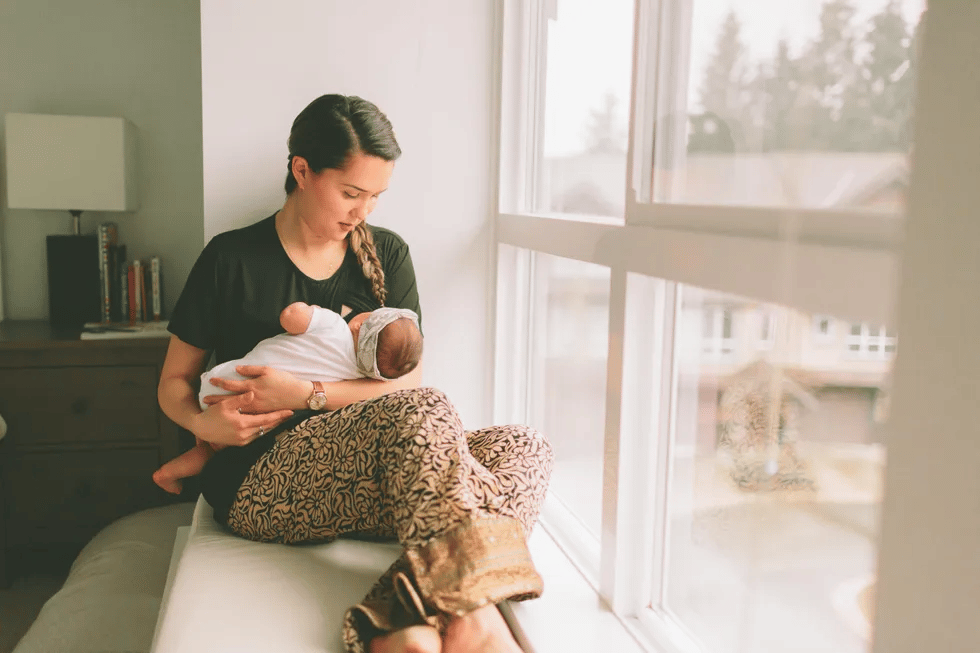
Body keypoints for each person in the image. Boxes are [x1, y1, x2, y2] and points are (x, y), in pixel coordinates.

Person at [157, 94, 553, 653]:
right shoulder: (231, 259)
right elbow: (174, 382)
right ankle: (474, 618)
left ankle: (400, 618)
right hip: (260, 473)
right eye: (350, 192)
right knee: (428, 411)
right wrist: (205, 425)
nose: (363, 211)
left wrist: (306, 393)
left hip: (378, 464)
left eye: (375, 197)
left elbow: (405, 381)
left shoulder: (387, 254)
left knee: (525, 445)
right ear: (301, 170)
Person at [152, 301, 423, 495]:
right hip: (258, 415)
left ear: (360, 323)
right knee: (214, 451)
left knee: (219, 445)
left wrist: (309, 311)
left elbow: (290, 317)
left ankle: (169, 471)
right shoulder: (352, 376)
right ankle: (171, 473)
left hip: (224, 384)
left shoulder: (333, 326)